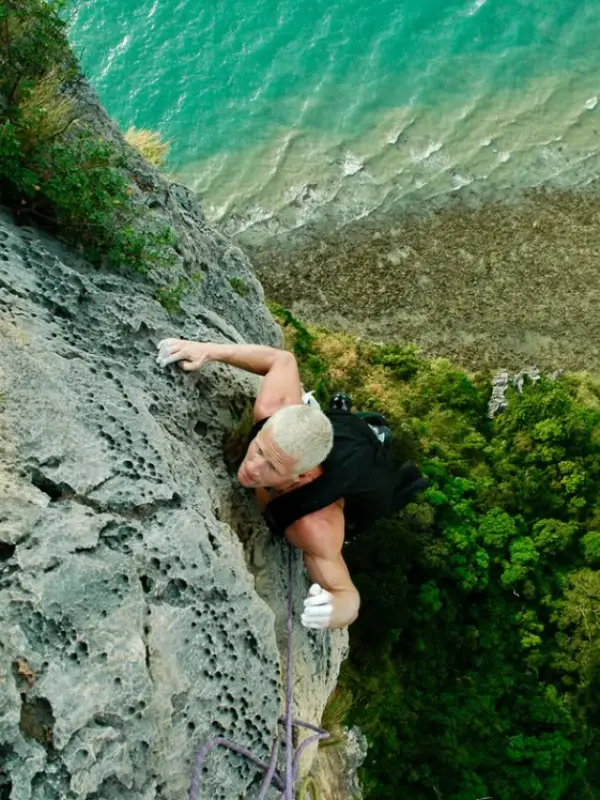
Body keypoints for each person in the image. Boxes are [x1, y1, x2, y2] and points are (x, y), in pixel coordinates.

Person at [156, 337, 427, 631]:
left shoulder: (313, 526)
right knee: (341, 423)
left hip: (366, 480)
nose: (252, 468)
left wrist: (332, 612)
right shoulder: (274, 411)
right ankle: (348, 416)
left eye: (272, 466)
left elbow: (347, 595)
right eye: (258, 449)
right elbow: (282, 360)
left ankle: (376, 433)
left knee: (374, 475)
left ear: (302, 477)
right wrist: (208, 350)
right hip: (342, 431)